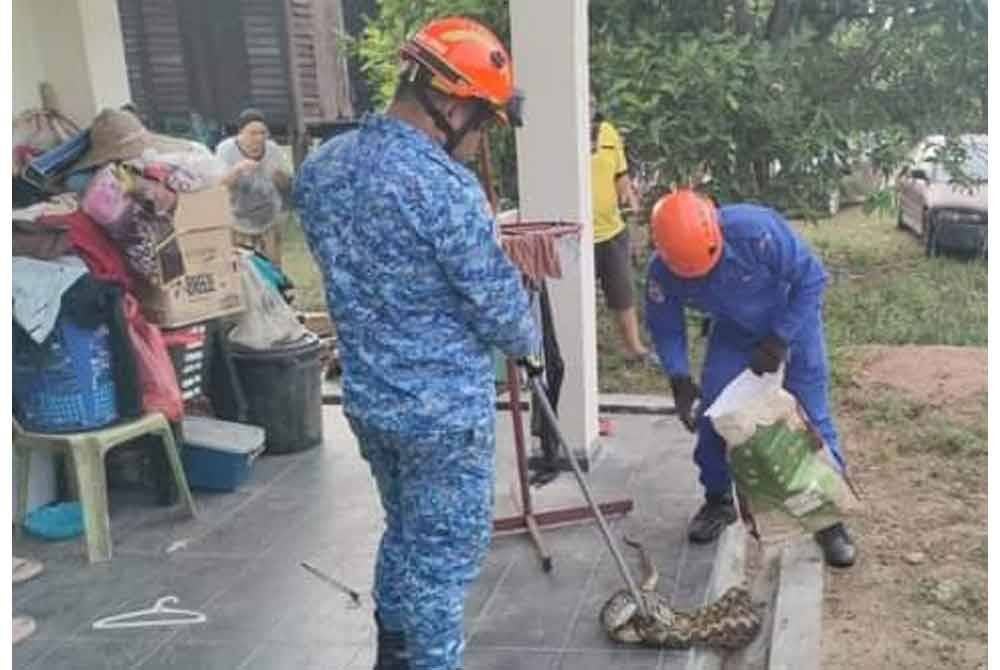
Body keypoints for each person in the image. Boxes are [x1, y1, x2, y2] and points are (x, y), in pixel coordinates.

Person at [293, 17, 539, 670]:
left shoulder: (322, 171)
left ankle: (392, 653)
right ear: (451, 104)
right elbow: (502, 314)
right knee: (443, 559)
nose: (479, 136)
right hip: (441, 418)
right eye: (483, 120)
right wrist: (526, 314)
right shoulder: (442, 188)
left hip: (370, 401)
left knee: (405, 533)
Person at [644, 188, 856, 568]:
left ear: (716, 232)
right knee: (713, 417)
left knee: (812, 418)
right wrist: (678, 377)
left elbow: (812, 279)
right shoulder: (662, 272)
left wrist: (780, 339)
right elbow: (666, 327)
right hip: (735, 335)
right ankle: (717, 500)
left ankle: (828, 521)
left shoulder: (756, 231)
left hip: (793, 326)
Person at [589, 90, 652, 364]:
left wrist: (628, 195)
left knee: (622, 291)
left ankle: (634, 348)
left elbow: (620, 174)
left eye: (592, 102)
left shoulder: (608, 133)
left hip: (611, 230)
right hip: (579, 236)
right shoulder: (564, 135)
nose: (588, 108)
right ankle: (580, 349)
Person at [215, 108, 292, 266]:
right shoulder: (226, 150)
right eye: (253, 133)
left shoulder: (272, 150)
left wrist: (277, 175)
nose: (259, 138)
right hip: (237, 220)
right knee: (243, 270)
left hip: (269, 219)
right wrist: (237, 170)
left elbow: (287, 185)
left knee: (273, 269)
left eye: (263, 133)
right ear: (241, 133)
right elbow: (218, 185)